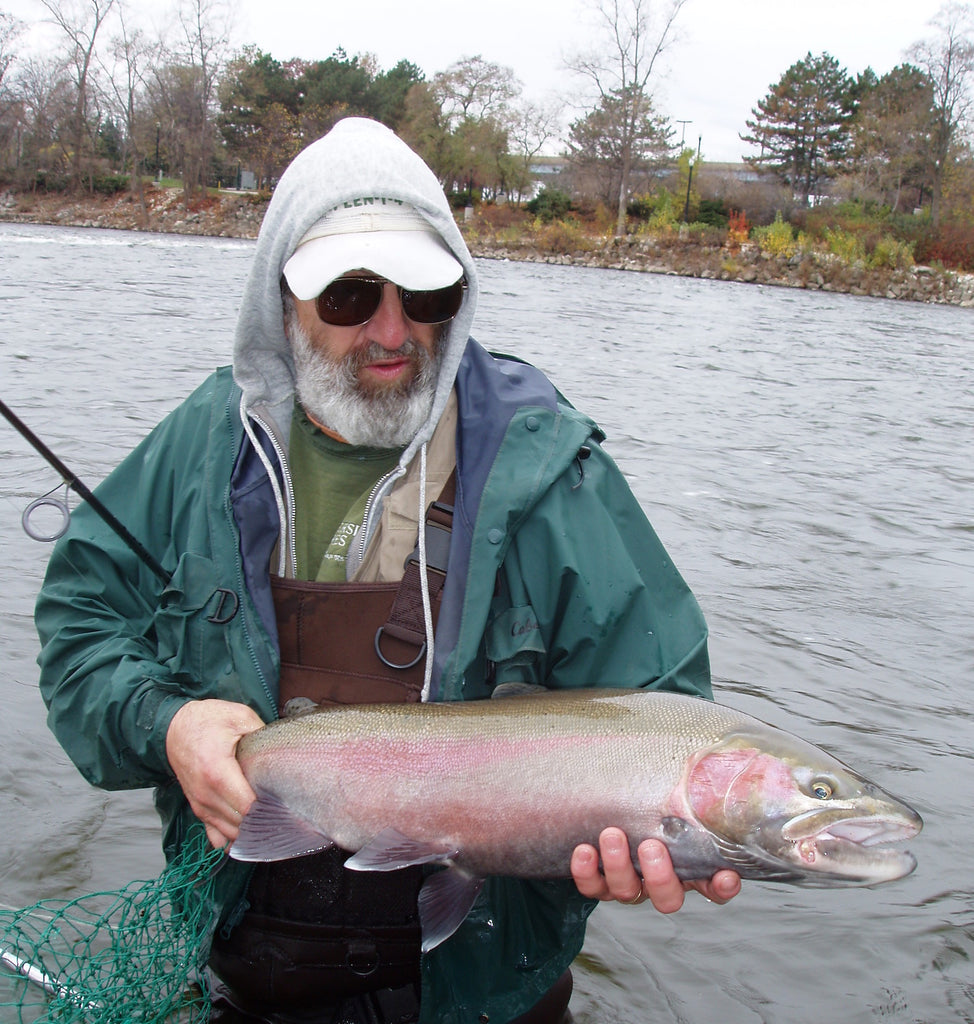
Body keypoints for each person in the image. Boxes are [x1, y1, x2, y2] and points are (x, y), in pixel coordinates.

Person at [35, 117, 740, 1024]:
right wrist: (168, 725)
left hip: (482, 996)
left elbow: (666, 711)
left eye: (425, 292)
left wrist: (643, 839)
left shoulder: (554, 470)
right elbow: (81, 629)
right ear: (280, 301)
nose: (393, 330)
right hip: (243, 980)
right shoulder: (199, 450)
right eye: (349, 296)